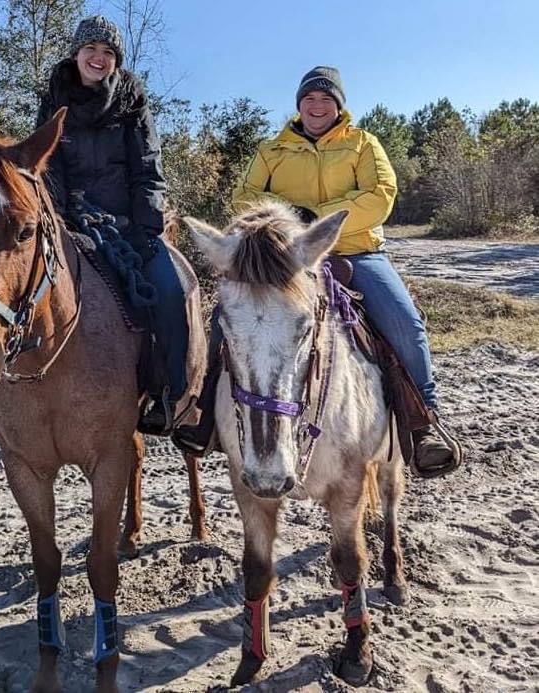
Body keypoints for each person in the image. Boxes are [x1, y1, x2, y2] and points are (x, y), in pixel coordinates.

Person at [174, 66, 455, 476]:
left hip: (356, 252)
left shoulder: (363, 144)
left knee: (405, 323)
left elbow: (380, 195)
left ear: (339, 106)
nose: (317, 106)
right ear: (298, 105)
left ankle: (422, 421)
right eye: (309, 99)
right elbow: (245, 196)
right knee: (226, 319)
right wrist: (291, 225)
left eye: (326, 99)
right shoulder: (273, 150)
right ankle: (202, 415)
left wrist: (318, 218)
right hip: (284, 260)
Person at [36, 15, 188, 435]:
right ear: (76, 54)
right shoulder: (54, 99)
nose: (99, 59)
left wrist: (145, 228)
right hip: (71, 222)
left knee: (171, 291)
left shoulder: (132, 101)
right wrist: (62, 223)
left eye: (108, 53)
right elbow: (47, 167)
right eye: (91, 50)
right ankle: (4, 382)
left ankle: (172, 394)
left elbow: (148, 169)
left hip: (129, 226)